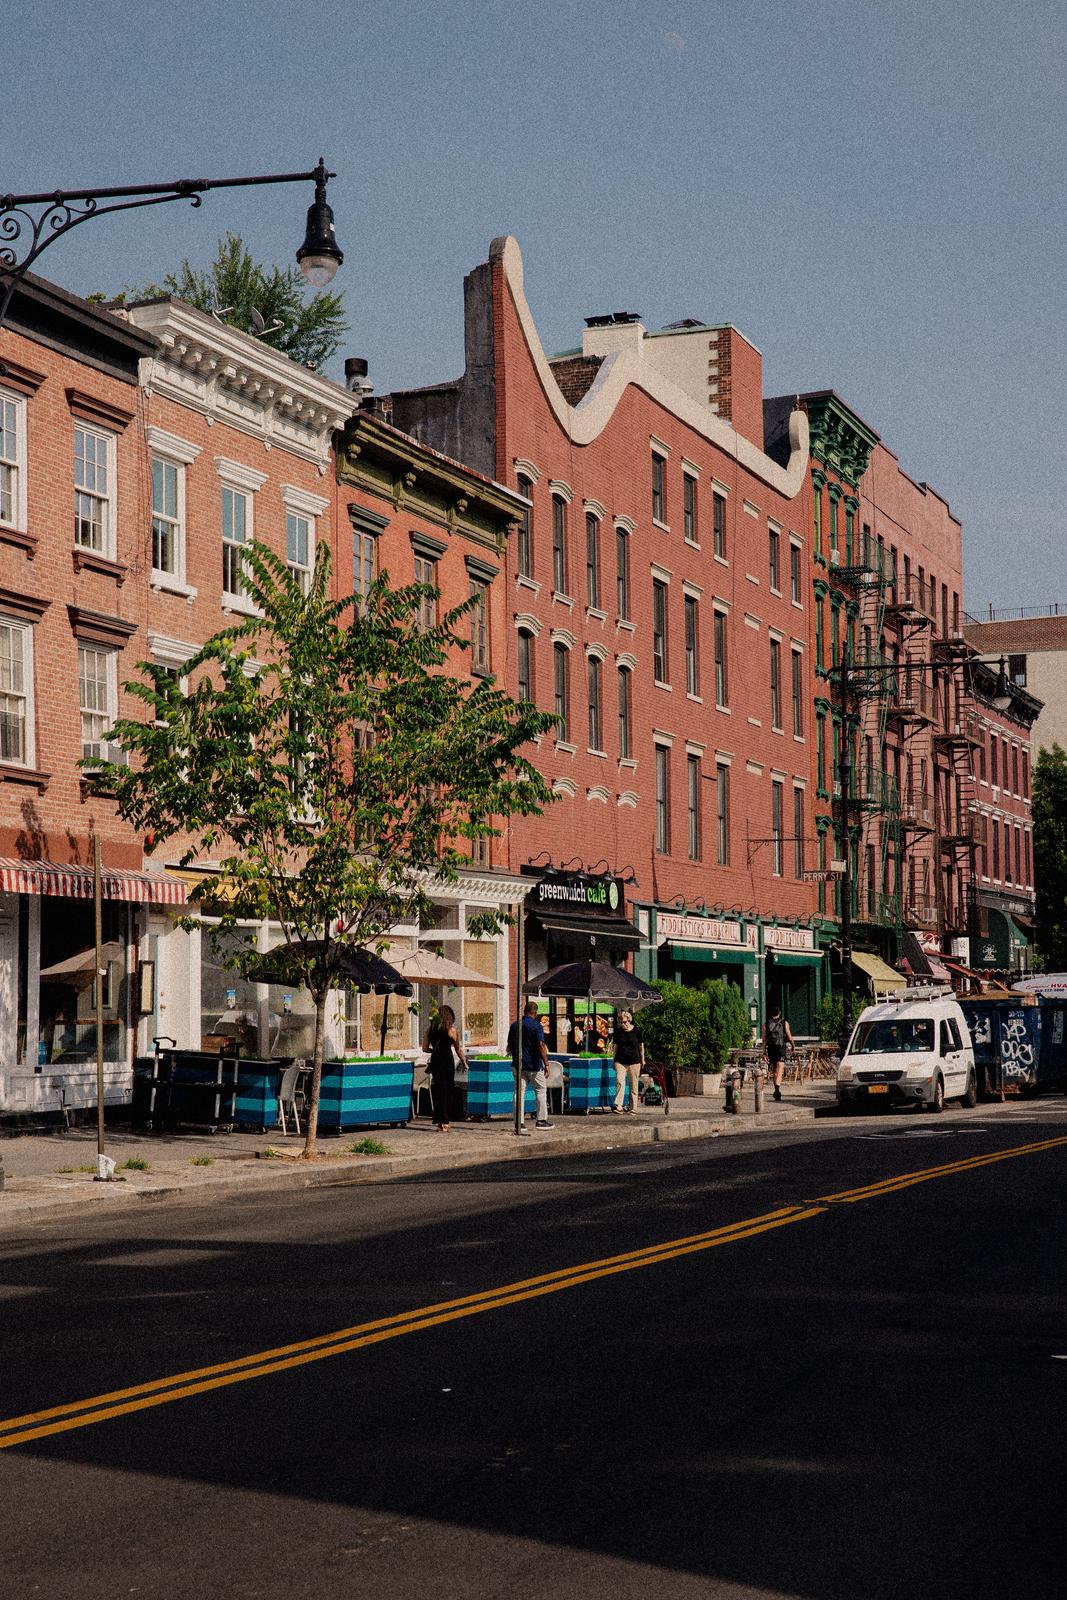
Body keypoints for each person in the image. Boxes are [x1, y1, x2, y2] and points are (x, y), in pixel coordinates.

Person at [506, 1000, 553, 1129]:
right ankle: (541, 1121)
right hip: (534, 1065)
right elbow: (541, 1045)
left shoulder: (515, 1025)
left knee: (519, 1093)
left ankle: (519, 1123)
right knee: (540, 1090)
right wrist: (547, 1064)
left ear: (524, 1011)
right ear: (535, 1012)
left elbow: (509, 1045)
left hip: (518, 1064)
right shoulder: (536, 1026)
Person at [424, 1004, 466, 1132]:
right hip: (447, 1061)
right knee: (447, 1090)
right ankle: (446, 1122)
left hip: (436, 1062)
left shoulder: (430, 1030)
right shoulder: (451, 1031)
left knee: (438, 1090)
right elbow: (458, 1049)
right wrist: (464, 1062)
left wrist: (435, 1051)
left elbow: (425, 1048)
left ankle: (439, 1122)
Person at [612, 1009, 644, 1113]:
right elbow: (615, 1047)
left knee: (633, 1085)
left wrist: (643, 1059)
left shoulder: (637, 1031)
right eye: (621, 1022)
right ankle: (619, 1106)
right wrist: (613, 1060)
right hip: (620, 1061)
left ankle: (633, 1107)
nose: (623, 1024)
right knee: (620, 1081)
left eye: (625, 1022)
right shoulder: (618, 1031)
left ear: (629, 1020)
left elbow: (641, 1046)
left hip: (634, 1061)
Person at [763, 1002, 794, 1102]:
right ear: (779, 1012)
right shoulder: (784, 1022)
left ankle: (776, 1089)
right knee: (779, 1069)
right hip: (781, 1047)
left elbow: (764, 1040)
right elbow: (789, 1036)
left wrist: (764, 1052)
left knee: (774, 1070)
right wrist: (793, 1045)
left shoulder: (766, 1024)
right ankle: (777, 1089)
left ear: (770, 1013)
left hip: (771, 1048)